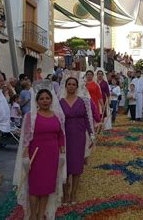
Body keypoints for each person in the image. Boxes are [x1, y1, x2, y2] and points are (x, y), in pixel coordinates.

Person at [13, 83, 66, 220]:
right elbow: (25, 138)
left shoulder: (57, 116)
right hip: (36, 156)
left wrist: (62, 153)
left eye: (47, 98)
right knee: (35, 187)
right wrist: (25, 157)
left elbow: (61, 136)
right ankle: (33, 215)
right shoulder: (31, 117)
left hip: (52, 155)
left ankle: (42, 213)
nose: (45, 101)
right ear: (37, 101)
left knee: (48, 187)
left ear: (51, 100)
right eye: (41, 99)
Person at [59, 77, 94, 205]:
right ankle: (65, 193)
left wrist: (91, 134)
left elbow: (86, 118)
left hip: (79, 136)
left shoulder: (81, 101)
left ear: (77, 86)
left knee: (77, 165)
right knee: (65, 165)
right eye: (69, 84)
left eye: (74, 84)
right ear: (66, 86)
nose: (71, 86)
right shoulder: (60, 102)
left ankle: (74, 193)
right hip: (65, 136)